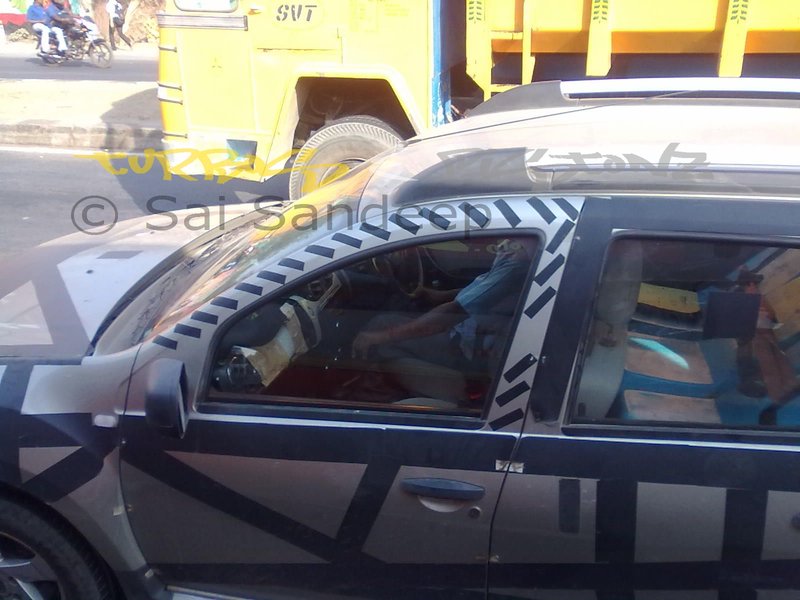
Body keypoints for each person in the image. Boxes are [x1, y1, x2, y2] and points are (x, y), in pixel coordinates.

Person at [352, 238, 535, 403]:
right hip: (471, 335)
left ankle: (374, 395)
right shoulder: (523, 247)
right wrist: (441, 295)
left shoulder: (519, 261)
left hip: (470, 350)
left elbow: (449, 315)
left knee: (380, 336)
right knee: (384, 324)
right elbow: (484, 290)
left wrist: (378, 337)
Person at [735, 268, 800, 423]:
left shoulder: (759, 298)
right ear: (746, 285)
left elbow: (772, 317)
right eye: (751, 283)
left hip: (768, 336)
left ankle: (785, 398)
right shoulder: (740, 300)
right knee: (769, 369)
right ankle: (775, 404)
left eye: (755, 284)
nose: (754, 286)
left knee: (782, 366)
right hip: (755, 338)